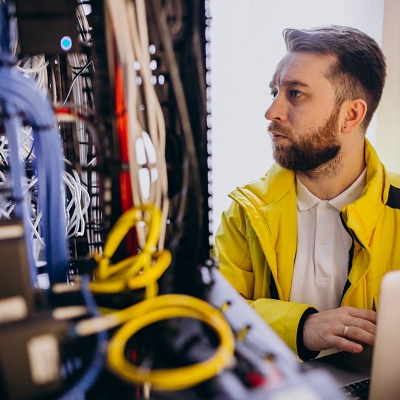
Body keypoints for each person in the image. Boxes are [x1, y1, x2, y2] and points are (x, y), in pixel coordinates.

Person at [215, 25, 400, 361]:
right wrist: (302, 327)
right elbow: (213, 312)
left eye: (295, 93)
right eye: (274, 92)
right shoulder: (245, 211)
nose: (272, 112)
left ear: (351, 115)